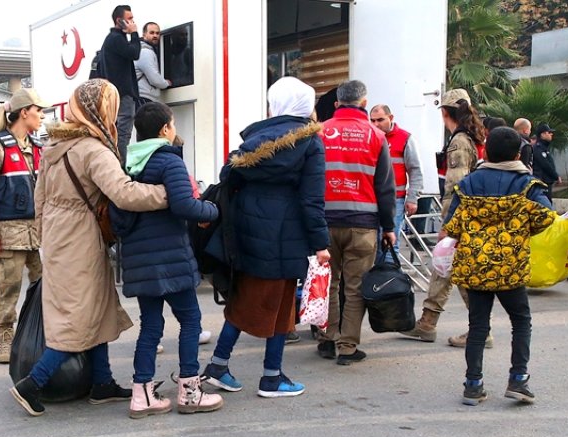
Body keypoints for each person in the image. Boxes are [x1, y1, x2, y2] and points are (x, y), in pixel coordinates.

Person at [9, 79, 168, 417]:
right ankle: (32, 383)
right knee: (77, 317)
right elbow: (124, 192)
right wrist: (166, 195)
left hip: (57, 236)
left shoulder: (55, 146)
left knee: (95, 307)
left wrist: (46, 237)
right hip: (80, 237)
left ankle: (101, 382)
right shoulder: (93, 149)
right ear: (102, 109)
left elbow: (39, 200)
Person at [202, 77, 331, 398]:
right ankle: (258, 375)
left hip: (246, 234)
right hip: (286, 236)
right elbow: (312, 200)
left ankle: (251, 371)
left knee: (255, 301)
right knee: (271, 305)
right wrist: (320, 244)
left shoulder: (253, 141)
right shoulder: (310, 143)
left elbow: (228, 180)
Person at [110, 102, 221, 417]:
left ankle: (141, 395)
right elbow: (185, 205)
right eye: (173, 125)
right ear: (164, 130)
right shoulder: (168, 161)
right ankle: (189, 392)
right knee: (189, 320)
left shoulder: (126, 165)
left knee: (151, 326)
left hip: (139, 261)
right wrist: (213, 211)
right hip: (170, 258)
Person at [444, 126, 557, 406]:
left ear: (487, 152)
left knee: (478, 325)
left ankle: (473, 385)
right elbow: (546, 217)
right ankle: (518, 380)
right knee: (520, 321)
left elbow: (453, 225)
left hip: (475, 267)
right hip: (511, 267)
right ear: (518, 154)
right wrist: (520, 227)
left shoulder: (468, 184)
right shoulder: (527, 185)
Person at [317, 80, 397, 365]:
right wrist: (389, 227)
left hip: (324, 223)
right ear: (364, 104)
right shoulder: (376, 136)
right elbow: (385, 187)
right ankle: (348, 347)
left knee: (329, 284)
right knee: (354, 287)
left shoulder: (320, 132)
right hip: (362, 223)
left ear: (337, 104)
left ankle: (327, 339)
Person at [400, 89, 486, 346]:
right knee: (443, 269)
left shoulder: (459, 141)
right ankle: (427, 323)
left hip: (460, 218)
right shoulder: (473, 137)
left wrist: (449, 226)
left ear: (445, 112)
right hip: (469, 217)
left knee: (458, 273)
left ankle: (480, 329)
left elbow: (456, 186)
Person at [0, 88, 50, 363]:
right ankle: (6, 340)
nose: (42, 116)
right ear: (24, 112)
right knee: (8, 288)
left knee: (45, 285)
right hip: (8, 232)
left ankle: (42, 335)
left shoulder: (40, 148)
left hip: (38, 232)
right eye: (38, 111)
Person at [369, 104, 423, 264]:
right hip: (371, 199)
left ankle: (388, 283)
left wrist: (412, 198)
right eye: (372, 120)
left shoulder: (405, 138)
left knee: (389, 244)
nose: (376, 124)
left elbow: (415, 170)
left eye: (380, 120)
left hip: (395, 200)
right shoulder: (369, 136)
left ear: (391, 118)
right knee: (372, 245)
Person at [101, 4, 142, 161]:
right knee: (123, 131)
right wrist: (135, 34)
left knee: (122, 130)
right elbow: (134, 53)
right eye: (129, 19)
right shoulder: (116, 39)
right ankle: (120, 166)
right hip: (123, 93)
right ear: (119, 21)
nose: (133, 22)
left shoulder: (113, 40)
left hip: (118, 93)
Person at [135, 21, 171, 105]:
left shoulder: (144, 50)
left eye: (157, 33)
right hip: (143, 98)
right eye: (151, 33)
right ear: (144, 35)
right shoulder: (145, 52)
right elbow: (154, 78)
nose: (155, 35)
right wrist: (166, 83)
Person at [532, 124, 560, 197]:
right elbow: (545, 165)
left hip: (547, 181)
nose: (551, 134)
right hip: (542, 181)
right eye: (549, 132)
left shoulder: (544, 147)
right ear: (543, 134)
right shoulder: (538, 148)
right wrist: (556, 176)